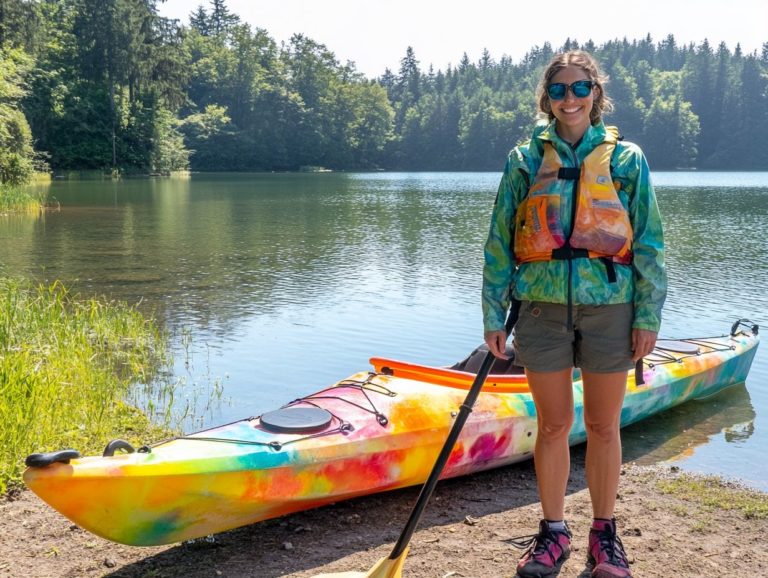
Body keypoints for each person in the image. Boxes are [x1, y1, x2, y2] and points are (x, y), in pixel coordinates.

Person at [482, 50, 666, 578]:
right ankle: (554, 532)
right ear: (547, 98)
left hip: (611, 307)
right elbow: (499, 240)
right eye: (559, 89)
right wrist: (494, 313)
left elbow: (649, 241)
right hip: (540, 308)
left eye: (580, 88)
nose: (569, 98)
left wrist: (647, 315)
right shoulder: (522, 160)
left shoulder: (627, 160)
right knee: (555, 424)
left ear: (596, 94)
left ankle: (605, 536)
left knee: (605, 425)